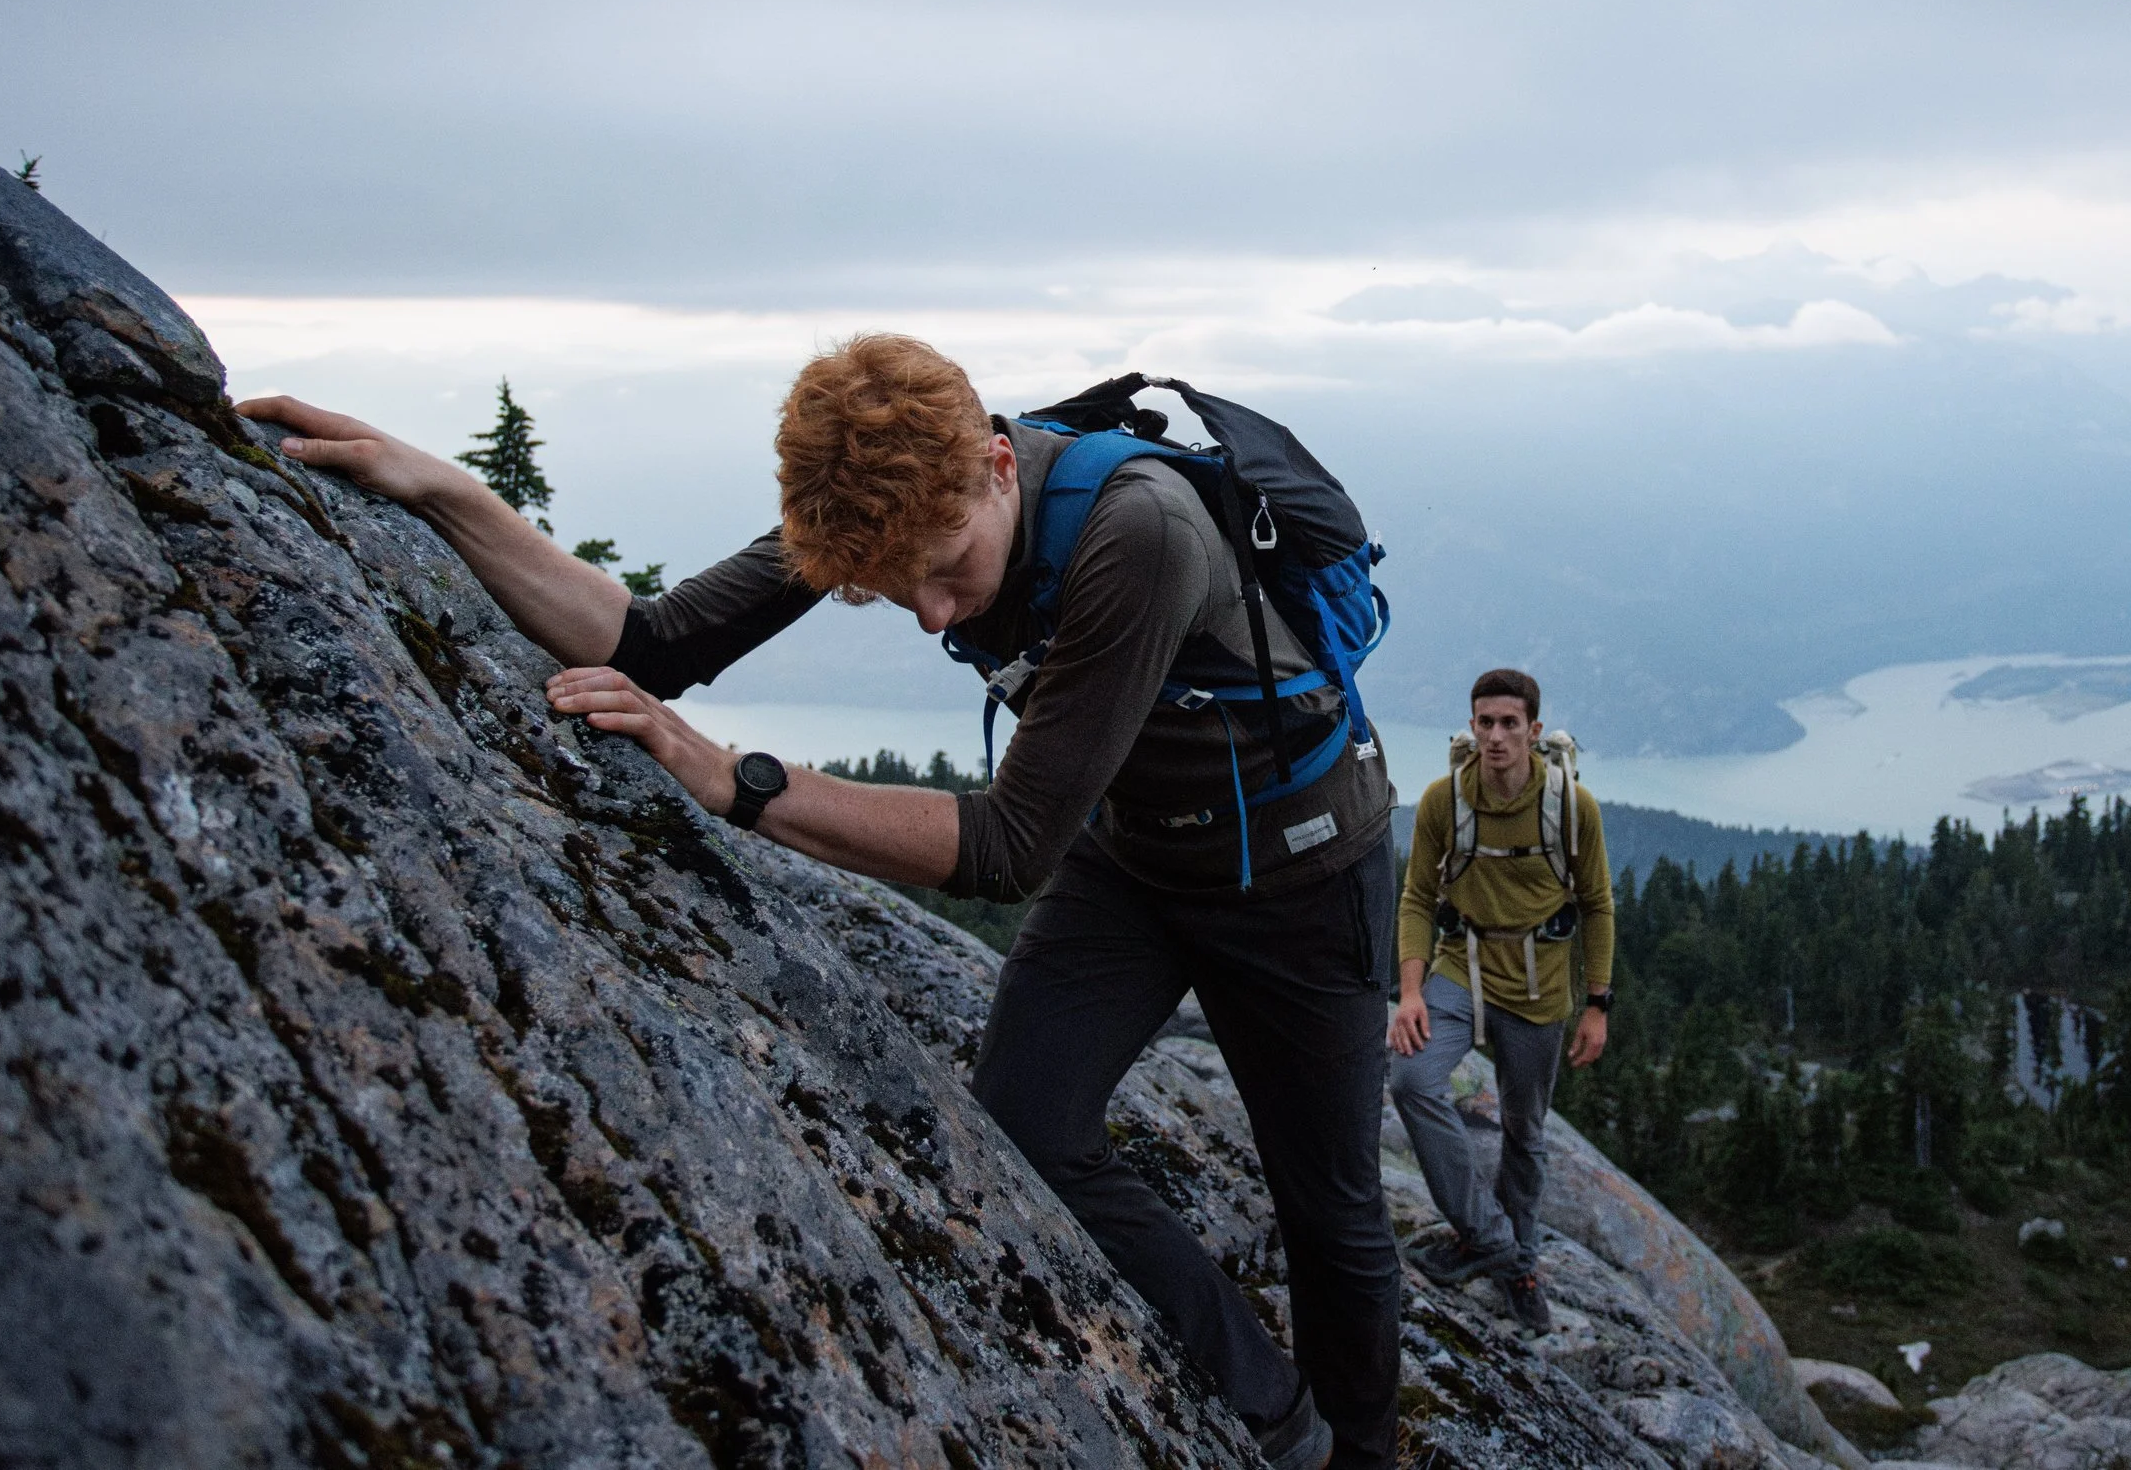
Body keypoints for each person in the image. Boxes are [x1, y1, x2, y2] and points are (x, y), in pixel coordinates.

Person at [240, 335, 1399, 1470]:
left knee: (1329, 1206)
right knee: (1026, 1122)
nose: (934, 615)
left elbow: (1007, 845)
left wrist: (737, 779)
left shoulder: (1138, 532)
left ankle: (1362, 1454)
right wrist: (442, 490)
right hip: (1134, 858)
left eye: (946, 569)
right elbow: (655, 641)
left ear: (998, 464)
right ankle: (1275, 1417)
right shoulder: (879, 503)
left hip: (1299, 871)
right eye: (892, 593)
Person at [1386, 668, 1613, 1333]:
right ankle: (1495, 1244)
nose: (1495, 737)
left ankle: (1517, 1259)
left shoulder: (1572, 806)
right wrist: (1409, 993)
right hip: (1461, 967)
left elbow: (1597, 905)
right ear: (1472, 726)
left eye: (1510, 723)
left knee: (1524, 1129)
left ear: (1533, 731)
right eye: (1485, 722)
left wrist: (1598, 1005)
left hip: (1539, 985)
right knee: (1413, 1080)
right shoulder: (1445, 800)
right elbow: (1417, 898)